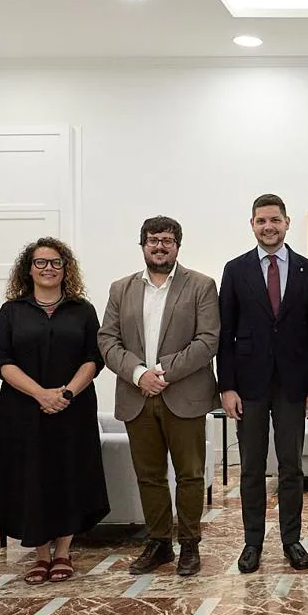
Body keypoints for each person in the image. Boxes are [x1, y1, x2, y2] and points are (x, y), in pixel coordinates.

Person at [0, 238, 109, 584]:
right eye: (41, 263)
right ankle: (38, 554)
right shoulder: (11, 311)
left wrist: (65, 393)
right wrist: (40, 394)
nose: (48, 268)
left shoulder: (82, 310)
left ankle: (64, 552)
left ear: (66, 269)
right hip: (22, 410)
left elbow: (94, 359)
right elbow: (1, 361)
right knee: (29, 475)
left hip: (74, 408)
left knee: (68, 474)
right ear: (29, 268)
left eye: (55, 262)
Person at [97, 216, 219, 578]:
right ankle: (159, 542)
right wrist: (139, 374)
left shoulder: (201, 285)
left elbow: (208, 340)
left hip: (184, 395)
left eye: (167, 240)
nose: (160, 246)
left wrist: (163, 372)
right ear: (143, 245)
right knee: (149, 475)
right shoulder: (121, 289)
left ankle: (190, 544)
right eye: (153, 240)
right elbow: (107, 340)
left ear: (178, 246)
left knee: (190, 474)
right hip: (137, 396)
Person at [217, 194, 308, 574]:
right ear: (252, 225)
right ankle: (252, 543)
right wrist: (226, 386)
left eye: (275, 220)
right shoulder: (235, 270)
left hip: (293, 384)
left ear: (287, 222)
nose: (268, 227)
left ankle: (292, 540)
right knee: (251, 468)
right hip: (249, 385)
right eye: (261, 221)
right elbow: (224, 332)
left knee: (291, 467)